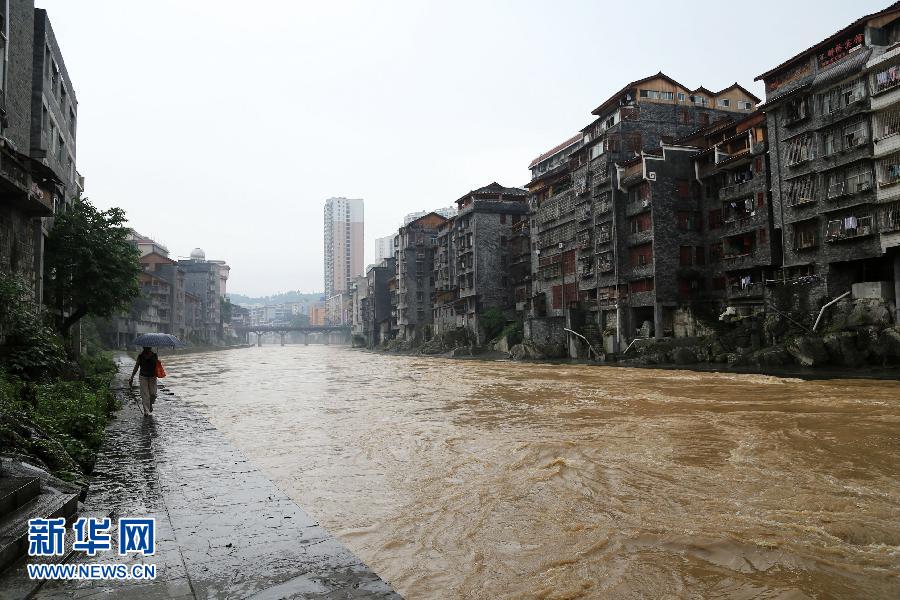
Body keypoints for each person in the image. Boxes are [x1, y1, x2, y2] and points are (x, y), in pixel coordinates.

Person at [129, 347, 159, 417]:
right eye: (146, 347)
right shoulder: (141, 356)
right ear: (144, 348)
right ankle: (146, 411)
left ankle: (150, 405)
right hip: (143, 377)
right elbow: (136, 366)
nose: (148, 349)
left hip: (153, 377)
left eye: (149, 348)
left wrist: (157, 362)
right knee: (145, 394)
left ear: (150, 348)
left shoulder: (155, 355)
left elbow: (157, 366)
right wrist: (132, 377)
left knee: (153, 394)